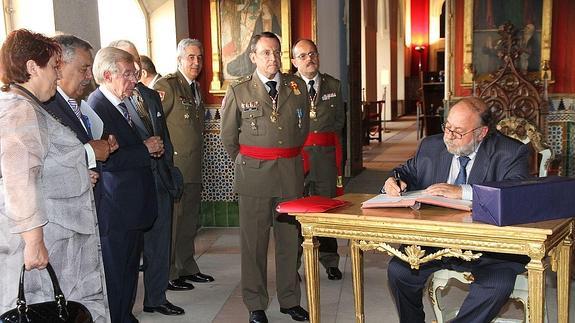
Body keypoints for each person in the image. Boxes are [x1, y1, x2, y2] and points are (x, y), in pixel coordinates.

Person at [383, 97, 530, 323]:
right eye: (447, 127)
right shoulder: (431, 146)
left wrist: (464, 191)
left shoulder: (510, 152)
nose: (449, 136)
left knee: (497, 284)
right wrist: (394, 181)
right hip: (435, 241)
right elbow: (406, 172)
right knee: (399, 271)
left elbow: (516, 193)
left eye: (458, 131)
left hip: (489, 248)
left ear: (482, 133)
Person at [0, 29, 109, 322]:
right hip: (46, 242)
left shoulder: (31, 107)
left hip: (59, 239)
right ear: (32, 67)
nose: (57, 76)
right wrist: (34, 241)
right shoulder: (20, 110)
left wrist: (76, 174)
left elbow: (46, 167)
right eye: (52, 67)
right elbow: (19, 177)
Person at [220, 32, 310, 323]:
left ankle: (289, 299)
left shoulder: (296, 88)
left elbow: (303, 129)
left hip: (289, 176)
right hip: (254, 178)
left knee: (289, 241)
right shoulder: (239, 92)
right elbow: (228, 138)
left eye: (277, 53)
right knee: (254, 244)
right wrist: (249, 162)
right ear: (253, 57)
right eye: (266, 53)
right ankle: (255, 303)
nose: (273, 58)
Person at [109, 39, 185, 316]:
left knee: (160, 243)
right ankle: (125, 306)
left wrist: (168, 168)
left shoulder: (150, 96)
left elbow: (162, 135)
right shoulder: (110, 101)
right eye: (128, 64)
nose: (136, 69)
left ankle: (156, 297)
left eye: (137, 62)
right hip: (132, 186)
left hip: (159, 180)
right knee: (130, 251)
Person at [88, 46, 160, 323]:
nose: (134, 81)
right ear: (108, 75)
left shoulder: (124, 103)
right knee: (115, 273)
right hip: (115, 208)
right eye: (128, 74)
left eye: (135, 74)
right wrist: (144, 148)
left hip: (132, 206)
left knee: (129, 270)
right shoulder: (97, 107)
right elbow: (107, 159)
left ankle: (124, 315)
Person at [153, 38, 215, 291]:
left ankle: (187, 266)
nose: (196, 62)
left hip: (192, 168)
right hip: (175, 168)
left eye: (199, 57)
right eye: (190, 57)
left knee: (189, 222)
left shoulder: (195, 88)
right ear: (179, 60)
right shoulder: (167, 85)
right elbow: (154, 121)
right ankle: (168, 273)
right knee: (174, 223)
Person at [291, 39, 345, 280]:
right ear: (294, 62)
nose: (308, 59)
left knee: (326, 209)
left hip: (324, 158)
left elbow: (339, 123)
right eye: (302, 56)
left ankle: (330, 261)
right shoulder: (286, 85)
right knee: (295, 212)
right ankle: (292, 265)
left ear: (318, 56)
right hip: (296, 157)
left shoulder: (333, 84)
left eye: (312, 54)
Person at [44, 34, 118, 192]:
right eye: (84, 69)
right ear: (59, 65)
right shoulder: (48, 106)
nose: (90, 76)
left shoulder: (75, 103)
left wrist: (103, 143)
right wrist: (91, 152)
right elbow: (48, 163)